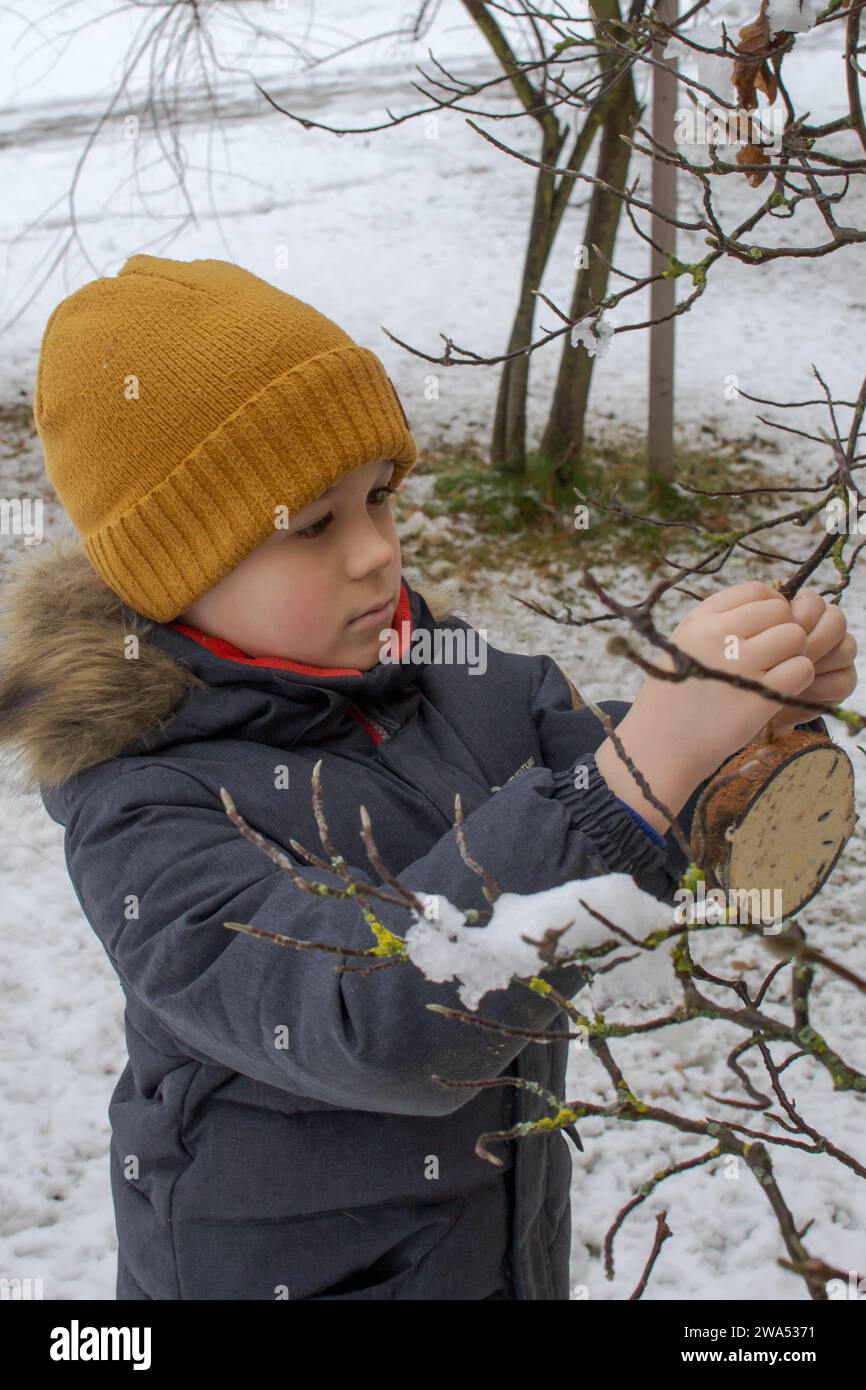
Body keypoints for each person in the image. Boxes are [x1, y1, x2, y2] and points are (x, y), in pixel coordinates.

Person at [0, 254, 855, 1300]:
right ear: (173, 569)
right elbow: (371, 1024)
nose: (375, 552)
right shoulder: (144, 809)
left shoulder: (458, 680)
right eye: (312, 524)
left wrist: (742, 738)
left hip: (493, 1253)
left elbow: (621, 803)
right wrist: (650, 765)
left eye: (380, 497)